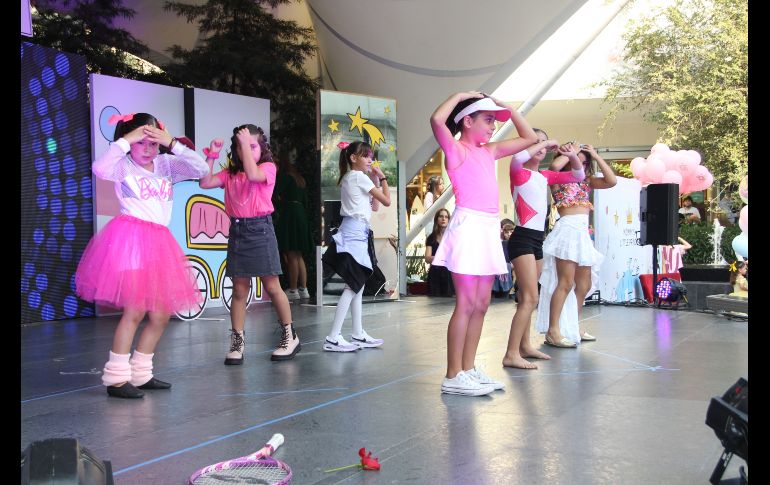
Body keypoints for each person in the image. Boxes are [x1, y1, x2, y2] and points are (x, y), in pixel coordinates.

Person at [75, 112, 209, 398]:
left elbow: (200, 169)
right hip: (132, 240)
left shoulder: (166, 165)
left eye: (153, 143)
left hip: (160, 242)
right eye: (142, 142)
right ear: (131, 141)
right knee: (135, 310)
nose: (148, 149)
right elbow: (99, 168)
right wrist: (126, 141)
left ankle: (141, 373)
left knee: (160, 314)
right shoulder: (123, 166)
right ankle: (116, 378)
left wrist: (172, 142)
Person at [430, 91, 538, 396]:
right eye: (488, 120)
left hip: (488, 228)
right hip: (468, 228)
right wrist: (462, 95)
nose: (493, 126)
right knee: (465, 304)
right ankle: (453, 374)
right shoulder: (456, 149)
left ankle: (468, 368)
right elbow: (437, 119)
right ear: (467, 121)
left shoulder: (489, 151)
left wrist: (507, 108)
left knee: (481, 304)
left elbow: (528, 137)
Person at [198, 124, 300, 364]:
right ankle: (237, 341)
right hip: (238, 231)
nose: (245, 150)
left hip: (260, 230)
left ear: (261, 148)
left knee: (273, 286)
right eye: (241, 146)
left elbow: (254, 175)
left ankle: (290, 335)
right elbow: (205, 182)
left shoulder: (267, 168)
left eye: (252, 146)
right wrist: (211, 155)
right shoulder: (230, 174)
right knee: (239, 291)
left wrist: (244, 145)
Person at [503, 129, 585, 370]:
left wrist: (572, 154)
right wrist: (548, 142)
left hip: (537, 239)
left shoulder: (545, 176)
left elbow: (578, 175)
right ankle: (510, 354)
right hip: (522, 239)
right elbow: (516, 158)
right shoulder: (519, 172)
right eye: (535, 142)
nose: (540, 146)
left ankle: (525, 346)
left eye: (543, 143)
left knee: (525, 298)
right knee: (530, 298)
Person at [535, 143, 617, 347]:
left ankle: (572, 326)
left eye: (584, 160)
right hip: (567, 231)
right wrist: (572, 151)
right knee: (565, 282)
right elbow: (554, 167)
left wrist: (595, 155)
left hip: (582, 233)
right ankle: (553, 330)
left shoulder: (587, 181)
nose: (581, 161)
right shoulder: (558, 178)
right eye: (578, 157)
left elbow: (612, 181)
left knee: (584, 284)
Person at [321, 140, 391, 352]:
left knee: (357, 285)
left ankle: (358, 333)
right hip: (353, 235)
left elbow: (376, 206)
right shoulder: (358, 177)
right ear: (353, 158)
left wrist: (375, 180)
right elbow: (387, 201)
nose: (370, 159)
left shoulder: (353, 178)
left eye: (370, 155)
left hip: (356, 234)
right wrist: (383, 178)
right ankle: (333, 337)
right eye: (366, 155)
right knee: (353, 285)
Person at [273, 156, 314, 301]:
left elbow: (273, 192)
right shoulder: (300, 179)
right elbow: (306, 202)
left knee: (291, 254)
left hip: (290, 215)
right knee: (298, 255)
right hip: (301, 215)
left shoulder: (285, 177)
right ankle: (304, 289)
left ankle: (293, 289)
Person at [424, 208, 454, 297]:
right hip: (434, 275)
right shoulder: (431, 238)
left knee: (448, 304)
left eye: (446, 217)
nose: (443, 219)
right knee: (434, 304)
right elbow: (427, 258)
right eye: (441, 216)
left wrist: (437, 258)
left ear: (449, 220)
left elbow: (455, 257)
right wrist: (445, 257)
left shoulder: (452, 237)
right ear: (437, 219)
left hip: (449, 275)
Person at [492, 221, 515, 298]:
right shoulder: (501, 243)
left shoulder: (515, 244)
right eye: (506, 232)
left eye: (511, 232)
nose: (509, 234)